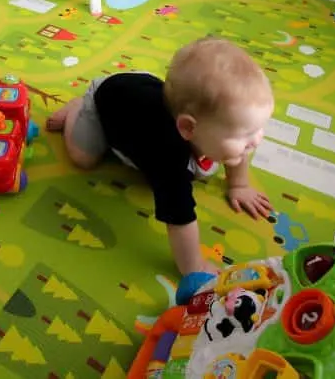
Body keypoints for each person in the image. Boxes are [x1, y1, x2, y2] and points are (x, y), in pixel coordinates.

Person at [46, 37, 274, 275]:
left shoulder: (225, 126)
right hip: (108, 99)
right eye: (246, 134)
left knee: (213, 160)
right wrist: (194, 267)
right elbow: (179, 218)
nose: (256, 140)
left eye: (258, 129)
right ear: (188, 128)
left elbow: (242, 150)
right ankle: (78, 108)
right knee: (83, 158)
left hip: (145, 89)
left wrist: (239, 185)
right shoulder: (169, 154)